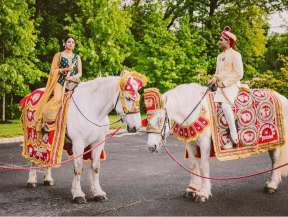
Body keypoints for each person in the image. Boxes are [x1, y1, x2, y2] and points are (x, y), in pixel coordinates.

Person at [36, 36, 82, 133]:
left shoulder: (77, 57)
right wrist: (63, 70)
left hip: (73, 82)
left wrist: (72, 78)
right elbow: (53, 71)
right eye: (69, 42)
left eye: (73, 42)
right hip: (60, 81)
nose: (71, 44)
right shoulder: (59, 55)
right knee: (57, 99)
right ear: (64, 44)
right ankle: (45, 119)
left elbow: (80, 73)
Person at [208, 26, 244, 149]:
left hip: (232, 85)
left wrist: (224, 83)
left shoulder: (236, 55)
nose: (219, 41)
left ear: (228, 41)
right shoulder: (219, 56)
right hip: (220, 86)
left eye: (221, 39)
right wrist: (214, 78)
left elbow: (239, 73)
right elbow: (218, 73)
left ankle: (234, 135)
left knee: (225, 105)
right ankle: (217, 136)